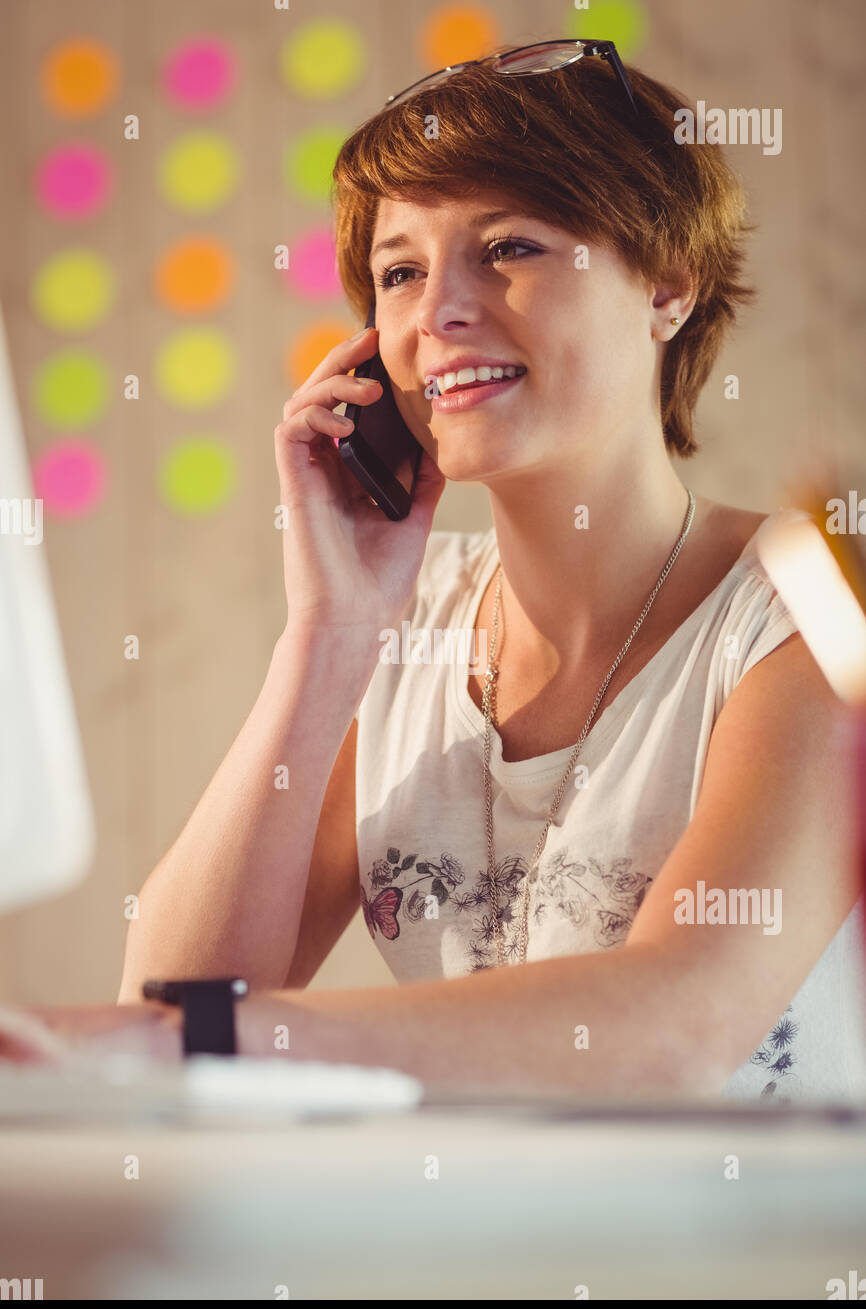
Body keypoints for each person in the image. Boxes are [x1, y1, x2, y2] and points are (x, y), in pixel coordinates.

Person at [3, 43, 863, 1102]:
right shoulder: (408, 625)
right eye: (399, 271)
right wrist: (327, 639)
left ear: (667, 283)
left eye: (506, 246)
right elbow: (174, 995)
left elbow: (674, 1027)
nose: (433, 316)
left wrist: (189, 1044)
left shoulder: (808, 613)